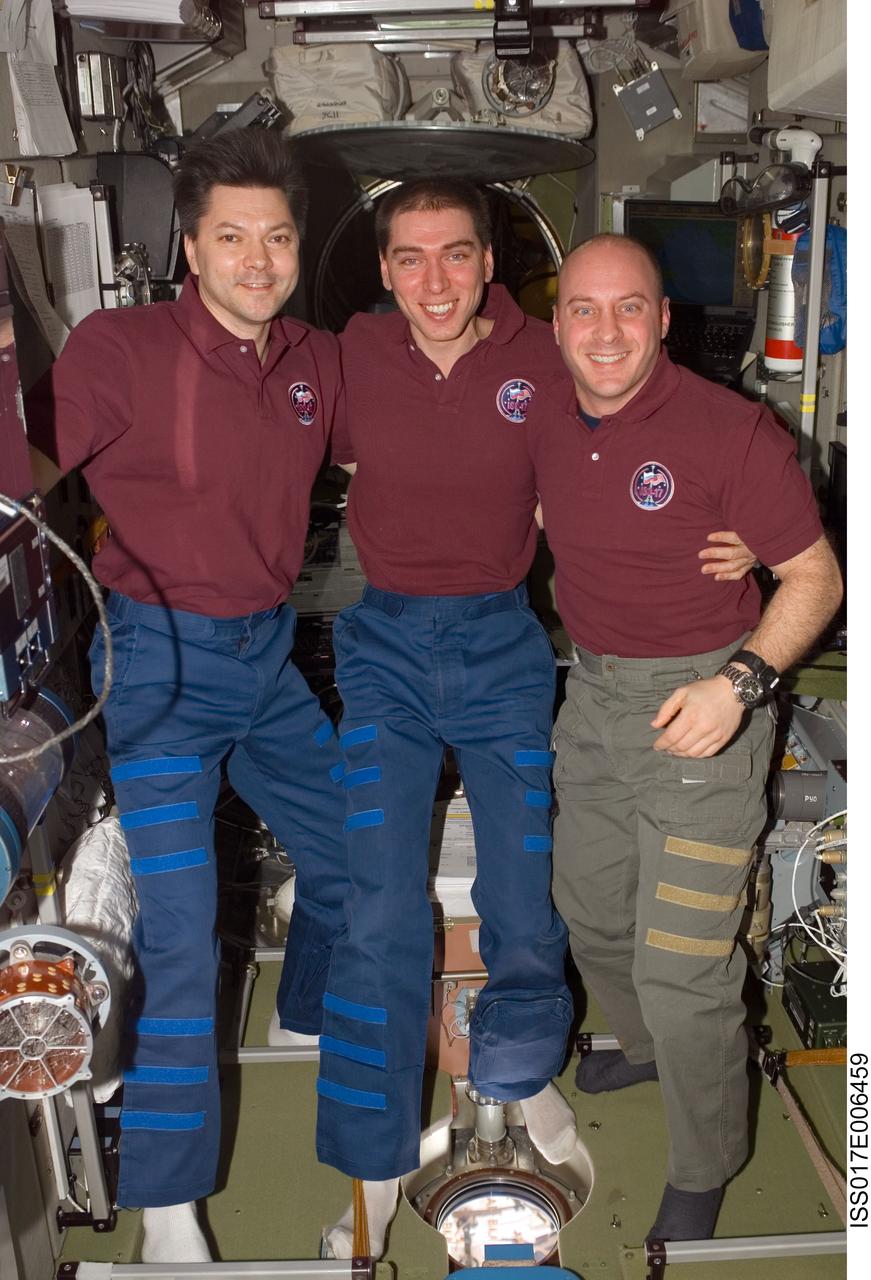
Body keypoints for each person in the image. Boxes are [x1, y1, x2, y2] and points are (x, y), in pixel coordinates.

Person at [312, 181, 756, 1259]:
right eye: (409, 258)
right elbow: (249, 422)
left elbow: (648, 410)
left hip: (505, 644)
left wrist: (741, 522)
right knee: (375, 886)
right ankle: (372, 1132)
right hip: (383, 647)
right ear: (380, 270)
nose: (433, 280)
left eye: (455, 255)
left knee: (525, 875)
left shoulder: (544, 357)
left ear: (492, 264)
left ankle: (517, 1056)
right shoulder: (347, 360)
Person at [26, 130, 349, 1264]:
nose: (257, 261)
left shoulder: (314, 356)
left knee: (357, 849)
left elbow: (424, 443)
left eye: (276, 237)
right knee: (179, 929)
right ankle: (168, 1211)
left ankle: (306, 1005)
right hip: (157, 660)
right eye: (230, 238)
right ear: (189, 248)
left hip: (265, 657)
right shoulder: (122, 348)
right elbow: (22, 470)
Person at [529, 233, 843, 1243]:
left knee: (685, 963)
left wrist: (738, 683)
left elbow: (816, 579)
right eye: (584, 308)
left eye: (630, 308)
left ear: (662, 320)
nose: (605, 331)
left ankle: (707, 1158)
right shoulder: (539, 416)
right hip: (596, 699)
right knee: (588, 910)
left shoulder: (728, 430)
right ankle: (648, 1044)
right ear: (557, 323)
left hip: (708, 705)